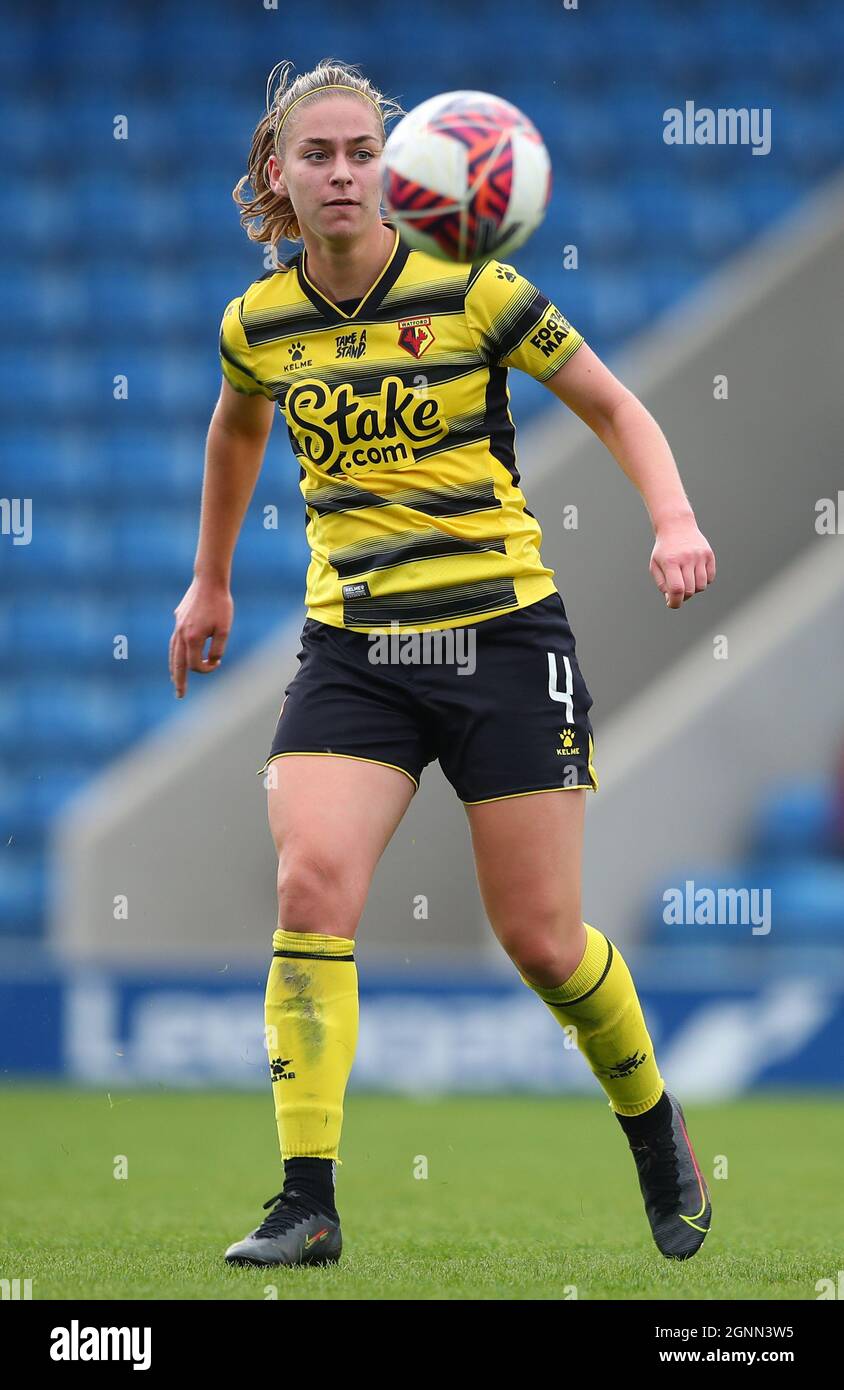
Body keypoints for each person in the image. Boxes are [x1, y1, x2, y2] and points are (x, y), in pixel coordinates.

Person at [169, 57, 717, 1268]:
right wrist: (209, 580)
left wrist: (672, 518)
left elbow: (618, 407)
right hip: (354, 651)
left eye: (362, 150)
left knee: (542, 941)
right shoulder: (256, 323)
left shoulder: (477, 290)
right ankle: (305, 1200)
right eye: (316, 155)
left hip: (502, 639)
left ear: (396, 163)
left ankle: (650, 1121)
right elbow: (235, 428)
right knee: (311, 885)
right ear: (279, 176)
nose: (343, 172)